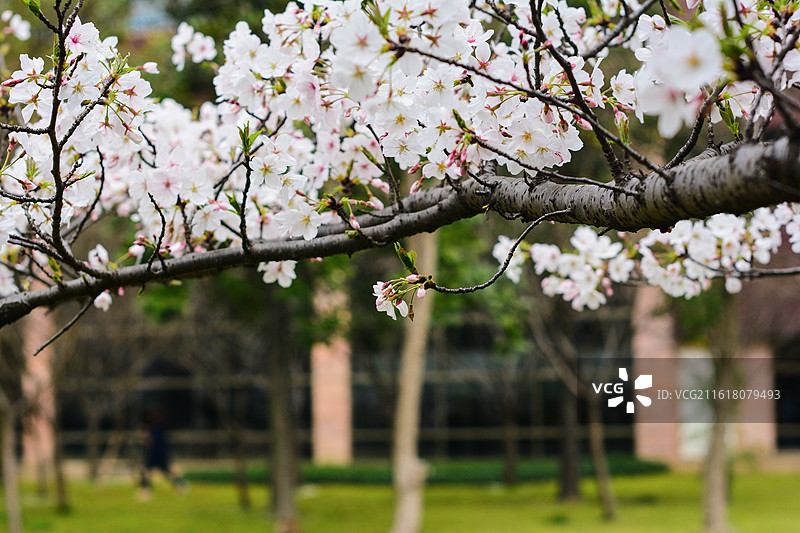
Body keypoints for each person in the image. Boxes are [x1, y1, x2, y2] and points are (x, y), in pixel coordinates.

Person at [137, 407, 189, 500]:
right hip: (154, 454)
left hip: (158, 454)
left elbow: (151, 441)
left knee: (164, 472)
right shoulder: (154, 427)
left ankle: (180, 484)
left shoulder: (159, 427)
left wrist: (145, 437)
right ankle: (146, 490)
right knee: (146, 472)